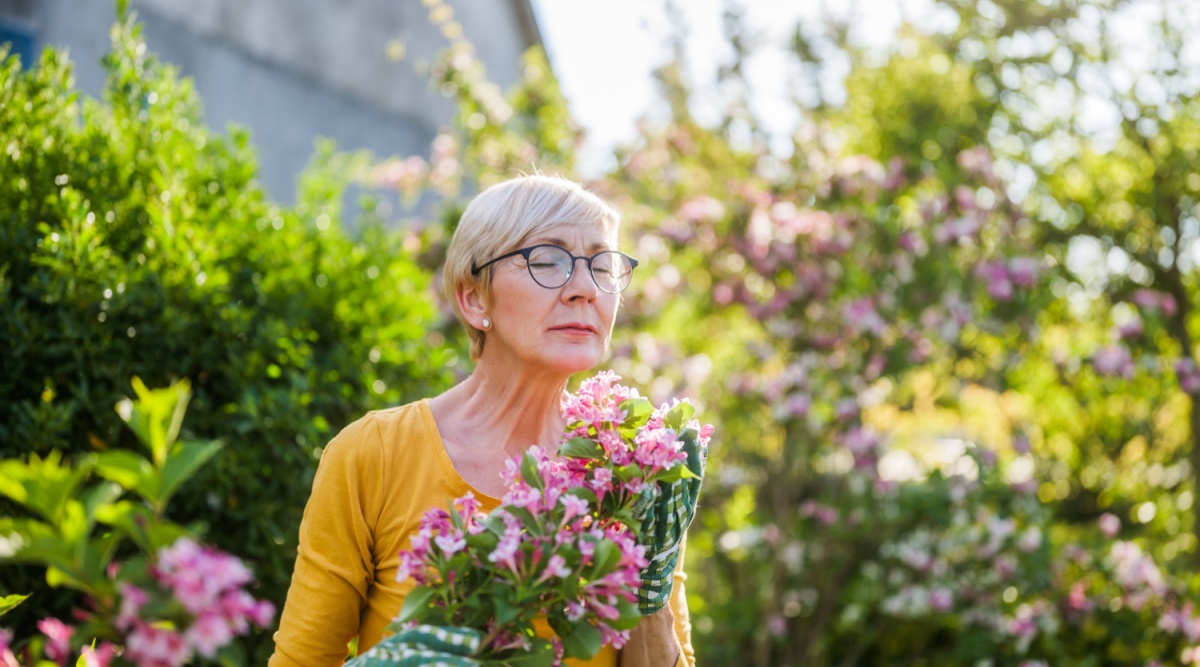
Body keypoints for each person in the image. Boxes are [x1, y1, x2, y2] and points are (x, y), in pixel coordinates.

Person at [268, 175, 698, 667]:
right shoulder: (374, 453)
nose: (585, 289)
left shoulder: (629, 473)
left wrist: (652, 586)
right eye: (547, 261)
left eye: (603, 266)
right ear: (473, 298)